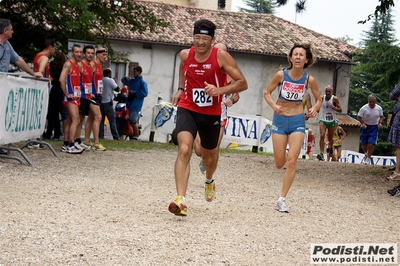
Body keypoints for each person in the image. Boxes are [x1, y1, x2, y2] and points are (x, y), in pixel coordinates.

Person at [168, 19, 248, 216]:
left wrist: (220, 90)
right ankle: (180, 199)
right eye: (197, 37)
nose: (200, 42)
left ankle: (209, 181)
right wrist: (180, 88)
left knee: (208, 156)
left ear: (213, 39)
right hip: (188, 107)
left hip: (211, 113)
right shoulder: (185, 55)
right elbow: (183, 69)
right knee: (185, 149)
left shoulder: (221, 57)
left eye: (205, 38)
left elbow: (242, 83)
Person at [264, 43, 321, 213]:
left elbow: (319, 99)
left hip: (297, 121)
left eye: (301, 55)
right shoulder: (281, 75)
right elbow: (267, 92)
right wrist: (274, 105)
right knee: (279, 163)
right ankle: (287, 156)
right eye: (295, 54)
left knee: (292, 161)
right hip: (280, 120)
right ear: (290, 58)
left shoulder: (309, 79)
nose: (297, 57)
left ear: (306, 59)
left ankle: (282, 199)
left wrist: (314, 109)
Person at [194, 42, 240, 174]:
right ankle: (204, 157)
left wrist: (231, 99)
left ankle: (209, 179)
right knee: (198, 150)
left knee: (214, 149)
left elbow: (236, 95)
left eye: (222, 52)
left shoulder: (229, 74)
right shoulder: (201, 69)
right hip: (200, 114)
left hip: (219, 117)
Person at [0, 18, 42, 155]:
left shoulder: (7, 45)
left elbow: (18, 60)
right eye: (11, 29)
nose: (13, 31)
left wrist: (32, 73)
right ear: (5, 31)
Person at [77, 45, 106, 151]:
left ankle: (86, 140)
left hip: (97, 94)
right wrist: (88, 92)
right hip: (91, 95)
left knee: (91, 118)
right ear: (98, 55)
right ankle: (96, 142)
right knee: (98, 117)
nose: (105, 57)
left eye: (106, 55)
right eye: (103, 55)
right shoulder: (92, 64)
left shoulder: (99, 66)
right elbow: (86, 79)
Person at [30, 38, 56, 149]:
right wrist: (46, 79)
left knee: (36, 113)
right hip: (41, 89)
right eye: (54, 48)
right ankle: (34, 139)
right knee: (39, 113)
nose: (54, 51)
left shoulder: (38, 55)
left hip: (37, 87)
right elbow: (40, 72)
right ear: (51, 47)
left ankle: (33, 139)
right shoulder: (44, 58)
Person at [59, 44, 84, 154]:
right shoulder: (68, 64)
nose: (79, 54)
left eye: (80, 52)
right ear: (72, 53)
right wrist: (66, 93)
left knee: (69, 121)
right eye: (77, 52)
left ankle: (65, 143)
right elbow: (61, 79)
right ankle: (71, 144)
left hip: (76, 96)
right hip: (70, 98)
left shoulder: (78, 65)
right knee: (76, 120)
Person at [43, 52, 67, 141]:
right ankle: (57, 133)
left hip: (54, 89)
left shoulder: (52, 64)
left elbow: (51, 75)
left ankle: (49, 132)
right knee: (58, 113)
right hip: (61, 89)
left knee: (52, 113)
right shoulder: (64, 66)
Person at [316, 85, 342, 161]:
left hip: (332, 120)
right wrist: (316, 109)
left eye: (329, 91)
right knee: (322, 135)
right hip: (323, 119)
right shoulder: (322, 98)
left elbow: (340, 110)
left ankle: (330, 149)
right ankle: (321, 153)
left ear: (332, 92)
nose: (327, 93)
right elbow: (318, 106)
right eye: (326, 91)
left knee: (330, 139)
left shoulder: (334, 99)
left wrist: (333, 107)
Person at [357, 94, 384, 165]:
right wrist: (362, 123)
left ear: (375, 101)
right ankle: (366, 153)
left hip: (374, 127)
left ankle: (368, 158)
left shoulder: (379, 108)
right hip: (365, 127)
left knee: (371, 144)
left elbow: (381, 116)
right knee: (364, 144)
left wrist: (380, 123)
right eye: (370, 102)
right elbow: (359, 116)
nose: (372, 103)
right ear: (368, 101)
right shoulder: (364, 108)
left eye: (373, 102)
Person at [126, 66, 148, 140]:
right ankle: (135, 135)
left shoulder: (142, 82)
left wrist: (135, 93)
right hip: (130, 102)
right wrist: (125, 78)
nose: (133, 73)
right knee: (131, 120)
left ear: (139, 72)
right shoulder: (132, 80)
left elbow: (145, 93)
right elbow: (124, 81)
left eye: (135, 72)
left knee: (133, 121)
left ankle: (136, 136)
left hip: (136, 103)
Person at [100, 68, 120, 140]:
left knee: (101, 120)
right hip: (108, 102)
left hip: (101, 102)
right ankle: (115, 136)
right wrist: (116, 82)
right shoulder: (110, 80)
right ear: (109, 74)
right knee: (112, 120)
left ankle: (101, 135)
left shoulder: (101, 79)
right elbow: (117, 89)